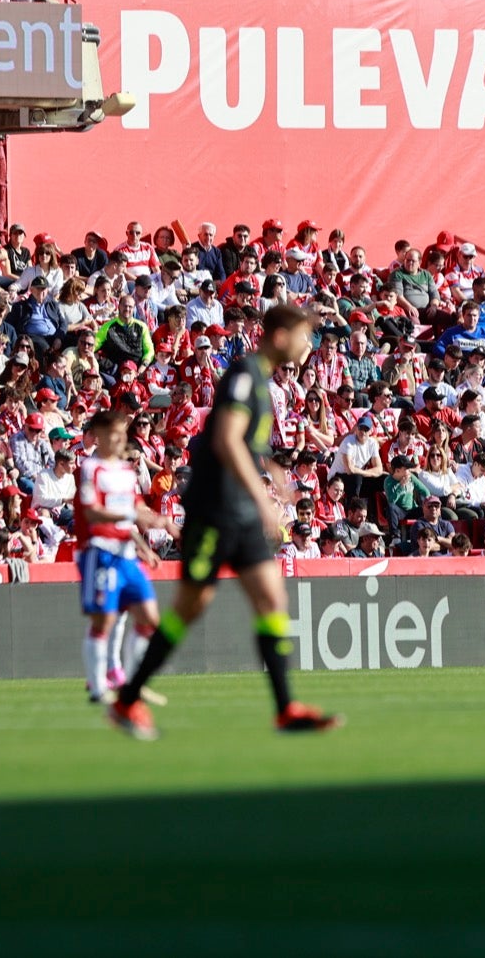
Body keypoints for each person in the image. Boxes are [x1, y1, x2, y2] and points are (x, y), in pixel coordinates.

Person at [108, 305, 341, 740]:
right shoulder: (244, 373)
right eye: (304, 335)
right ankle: (127, 699)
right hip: (215, 510)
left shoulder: (265, 383)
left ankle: (286, 708)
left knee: (272, 598)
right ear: (280, 335)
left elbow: (246, 445)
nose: (309, 344)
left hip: (241, 511)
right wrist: (264, 498)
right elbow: (226, 439)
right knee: (189, 608)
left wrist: (272, 473)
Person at [75, 410, 173, 706]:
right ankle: (96, 687)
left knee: (150, 618)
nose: (120, 439)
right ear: (99, 436)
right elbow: (92, 512)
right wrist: (134, 515)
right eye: (114, 434)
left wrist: (163, 524)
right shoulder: (91, 468)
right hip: (99, 551)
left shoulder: (126, 472)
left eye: (122, 434)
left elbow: (136, 512)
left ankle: (131, 684)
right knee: (104, 621)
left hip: (126, 554)